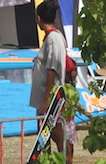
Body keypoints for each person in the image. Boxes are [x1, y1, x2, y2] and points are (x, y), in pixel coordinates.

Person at [31, 0, 67, 154]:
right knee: (46, 135)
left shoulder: (53, 38)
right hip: (47, 95)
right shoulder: (55, 36)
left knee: (54, 134)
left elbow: (51, 69)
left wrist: (46, 99)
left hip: (49, 97)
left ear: (39, 18)